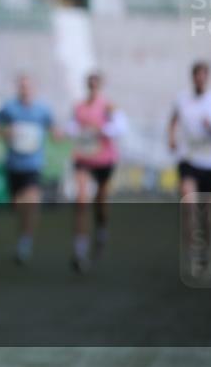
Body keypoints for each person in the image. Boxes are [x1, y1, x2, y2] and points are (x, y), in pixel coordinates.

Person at [168, 61, 211, 272]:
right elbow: (173, 120)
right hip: (188, 160)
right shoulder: (182, 100)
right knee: (188, 204)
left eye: (203, 75)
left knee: (207, 213)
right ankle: (190, 250)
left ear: (207, 77)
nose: (199, 79)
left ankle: (205, 249)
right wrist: (171, 138)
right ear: (192, 77)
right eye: (196, 75)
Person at [0, 74, 58, 264]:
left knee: (31, 204)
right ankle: (23, 234)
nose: (25, 90)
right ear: (18, 88)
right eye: (22, 86)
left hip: (33, 165)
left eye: (29, 87)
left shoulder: (43, 110)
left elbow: (55, 131)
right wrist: (4, 132)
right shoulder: (9, 108)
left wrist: (61, 134)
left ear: (34, 90)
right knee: (17, 206)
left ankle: (25, 242)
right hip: (13, 164)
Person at [65, 72, 127, 273]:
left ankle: (101, 231)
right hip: (83, 158)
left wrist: (101, 129)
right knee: (81, 200)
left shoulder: (108, 107)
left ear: (100, 86)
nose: (92, 88)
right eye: (90, 84)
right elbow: (72, 127)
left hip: (103, 159)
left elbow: (120, 128)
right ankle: (79, 251)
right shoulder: (79, 107)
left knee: (100, 202)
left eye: (95, 84)